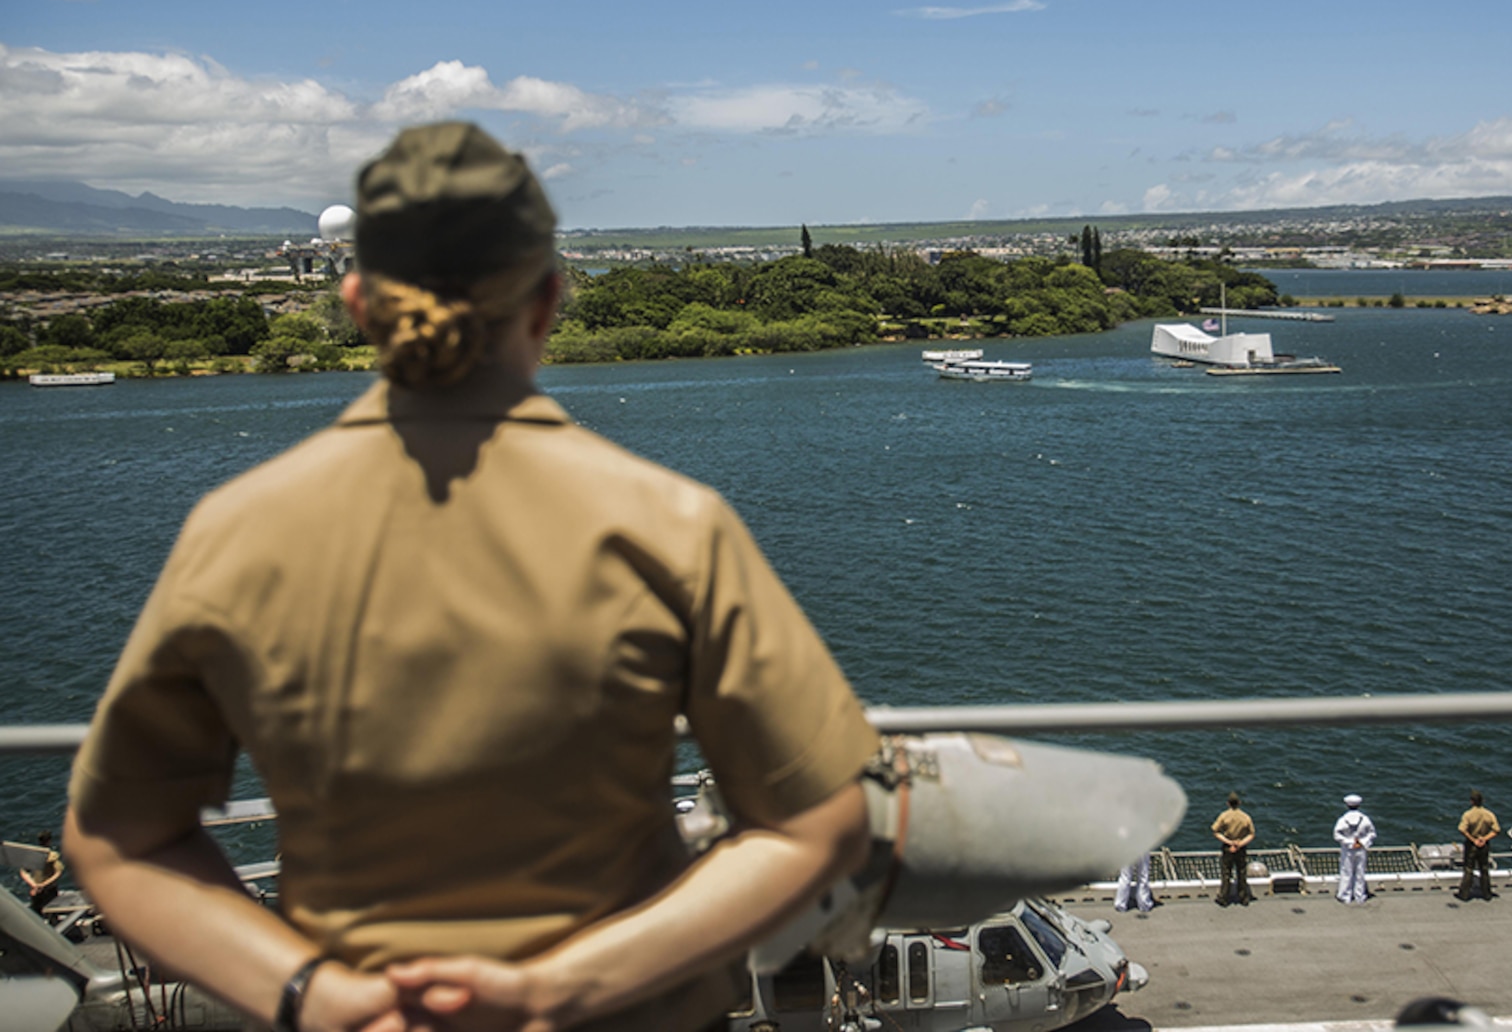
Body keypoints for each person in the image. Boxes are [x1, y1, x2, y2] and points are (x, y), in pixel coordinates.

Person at [61, 122, 880, 1032]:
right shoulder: (669, 525)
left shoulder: (237, 533)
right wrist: (559, 988)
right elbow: (823, 822)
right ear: (549, 300)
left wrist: (315, 994)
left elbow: (118, 841)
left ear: (359, 301)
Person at [1212, 793, 1255, 906]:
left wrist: (1230, 842)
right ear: (1239, 803)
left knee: (1226, 873)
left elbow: (1215, 832)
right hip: (1241, 847)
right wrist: (1239, 844)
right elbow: (1251, 834)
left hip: (1228, 847)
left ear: (1228, 804)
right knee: (1241, 872)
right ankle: (1243, 897)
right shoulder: (1245, 817)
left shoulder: (1224, 816)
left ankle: (1224, 897)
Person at [1456, 790, 1500, 901]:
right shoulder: (1489, 814)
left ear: (1472, 801)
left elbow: (1462, 829)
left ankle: (1464, 894)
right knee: (1484, 869)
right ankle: (1487, 894)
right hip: (1484, 844)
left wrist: (1473, 839)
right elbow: (1496, 830)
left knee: (1468, 869)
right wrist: (1484, 839)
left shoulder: (1468, 815)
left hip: (1472, 844)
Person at [1334, 794, 1375, 904]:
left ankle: (1345, 895)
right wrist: (1361, 842)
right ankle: (1359, 895)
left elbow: (1337, 835)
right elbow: (1372, 833)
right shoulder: (1365, 819)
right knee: (1360, 872)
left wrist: (1350, 843)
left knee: (1346, 871)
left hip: (1348, 849)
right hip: (1361, 849)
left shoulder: (1343, 820)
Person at [20, 829, 64, 916]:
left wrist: (34, 885)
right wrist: (43, 885)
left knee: (36, 914)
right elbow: (58, 873)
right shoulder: (52, 855)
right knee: (52, 912)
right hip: (49, 890)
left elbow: (23, 872)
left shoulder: (32, 855)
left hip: (36, 891)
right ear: (49, 841)